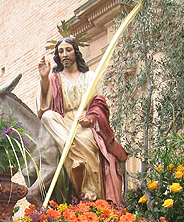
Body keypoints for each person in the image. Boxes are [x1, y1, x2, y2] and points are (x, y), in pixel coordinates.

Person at [37, 36, 127, 205]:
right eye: (61, 51)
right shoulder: (53, 78)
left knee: (88, 140)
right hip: (62, 124)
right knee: (49, 117)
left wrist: (90, 118)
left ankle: (90, 193)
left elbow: (99, 103)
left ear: (76, 52)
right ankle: (71, 154)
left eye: (68, 50)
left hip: (84, 122)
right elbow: (43, 108)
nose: (64, 54)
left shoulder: (90, 77)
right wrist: (44, 79)